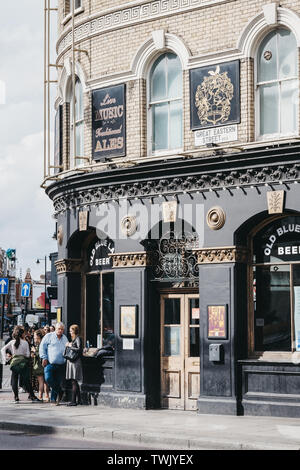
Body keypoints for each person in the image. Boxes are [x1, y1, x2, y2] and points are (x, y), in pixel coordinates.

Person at [1, 326, 40, 403]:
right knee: (26, 380)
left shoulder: (12, 342)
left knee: (14, 379)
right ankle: (32, 396)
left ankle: (16, 397)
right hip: (23, 364)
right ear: (22, 334)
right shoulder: (25, 343)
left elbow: (2, 349)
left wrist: (6, 359)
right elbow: (28, 355)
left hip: (14, 363)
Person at [40, 322, 68, 405]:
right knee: (48, 379)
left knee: (57, 381)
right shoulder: (49, 336)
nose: (60, 331)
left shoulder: (65, 338)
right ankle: (60, 391)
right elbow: (42, 347)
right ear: (55, 329)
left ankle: (53, 399)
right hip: (50, 363)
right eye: (59, 329)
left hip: (61, 364)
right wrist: (44, 357)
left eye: (62, 329)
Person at [65, 324, 83, 406]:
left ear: (75, 331)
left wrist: (70, 346)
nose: (70, 332)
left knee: (74, 381)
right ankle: (79, 400)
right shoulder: (74, 339)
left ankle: (73, 401)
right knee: (74, 381)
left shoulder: (78, 338)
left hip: (75, 362)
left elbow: (79, 349)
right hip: (72, 362)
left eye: (71, 331)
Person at [31, 329, 50, 402]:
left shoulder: (40, 344)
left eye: (35, 336)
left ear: (39, 336)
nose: (34, 338)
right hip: (45, 364)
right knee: (45, 382)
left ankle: (40, 396)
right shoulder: (44, 343)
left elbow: (39, 354)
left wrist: (34, 351)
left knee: (41, 381)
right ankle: (47, 396)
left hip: (39, 365)